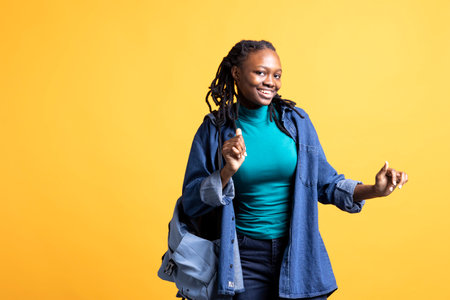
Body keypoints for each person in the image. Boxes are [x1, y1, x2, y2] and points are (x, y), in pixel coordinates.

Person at [180, 40, 408, 300]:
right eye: (260, 72)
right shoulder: (214, 130)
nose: (270, 82)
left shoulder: (297, 122)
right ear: (236, 73)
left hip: (297, 251)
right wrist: (226, 172)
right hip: (242, 258)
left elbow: (326, 184)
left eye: (276, 75)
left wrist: (374, 190)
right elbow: (191, 202)